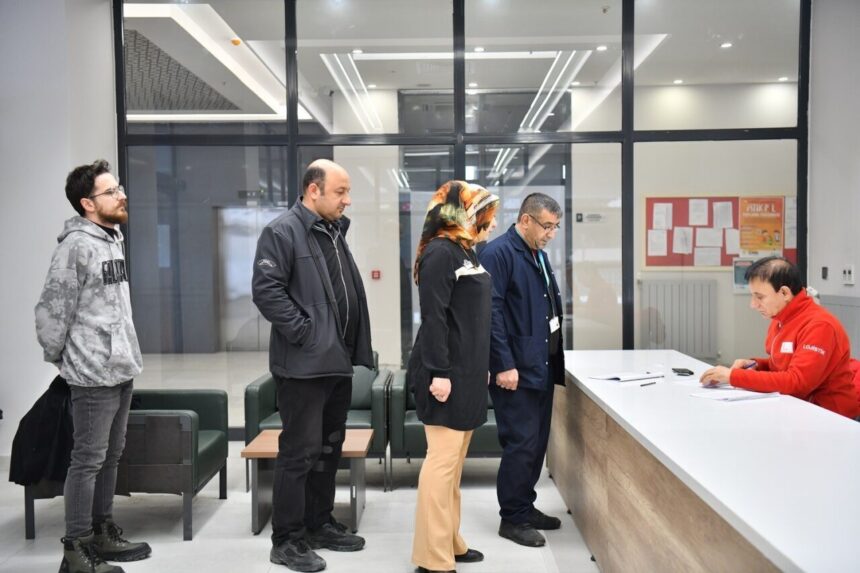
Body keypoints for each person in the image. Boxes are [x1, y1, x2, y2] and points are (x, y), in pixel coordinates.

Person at [252, 159, 373, 572]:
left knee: (328, 447)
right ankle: (287, 539)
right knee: (299, 452)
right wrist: (307, 333)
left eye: (347, 191)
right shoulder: (282, 231)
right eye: (340, 192)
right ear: (313, 190)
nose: (347, 200)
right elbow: (267, 292)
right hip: (304, 366)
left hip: (336, 362)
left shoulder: (332, 231)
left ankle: (318, 522)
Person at [35, 160, 151, 573]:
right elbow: (51, 312)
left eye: (119, 188)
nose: (122, 195)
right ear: (87, 203)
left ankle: (102, 531)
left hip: (120, 367)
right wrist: (65, 359)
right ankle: (76, 547)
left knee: (111, 455)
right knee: (87, 459)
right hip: (91, 373)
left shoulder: (111, 240)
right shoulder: (75, 246)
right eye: (111, 191)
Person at [409, 181, 499, 573]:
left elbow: (472, 319)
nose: (491, 224)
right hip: (443, 373)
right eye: (486, 216)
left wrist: (482, 366)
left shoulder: (465, 251)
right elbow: (434, 318)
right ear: (460, 214)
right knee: (442, 464)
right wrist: (439, 373)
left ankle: (450, 540)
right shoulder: (440, 253)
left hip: (468, 372)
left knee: (454, 467)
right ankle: (432, 557)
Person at [478, 192, 565, 548]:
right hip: (516, 370)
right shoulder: (498, 253)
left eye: (555, 228)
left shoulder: (536, 254)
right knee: (521, 444)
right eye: (546, 226)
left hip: (540, 365)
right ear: (526, 220)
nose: (551, 234)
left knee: (536, 443)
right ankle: (512, 518)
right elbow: (491, 313)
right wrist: (503, 364)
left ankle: (525, 506)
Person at [700, 256, 860, 419]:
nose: (753, 304)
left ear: (784, 293)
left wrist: (732, 377)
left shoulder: (820, 325)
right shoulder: (780, 320)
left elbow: (798, 382)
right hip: (798, 408)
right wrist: (757, 365)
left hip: (831, 416)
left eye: (759, 297)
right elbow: (784, 365)